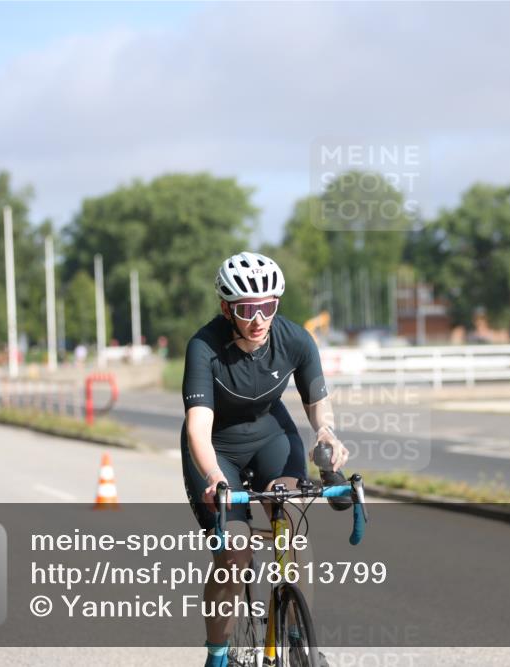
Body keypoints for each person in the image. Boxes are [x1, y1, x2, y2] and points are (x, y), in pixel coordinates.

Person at [180, 251, 349, 667]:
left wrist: (326, 433)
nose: (258, 319)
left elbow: (317, 402)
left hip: (271, 435)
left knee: (292, 527)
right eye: (246, 309)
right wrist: (214, 476)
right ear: (226, 309)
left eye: (268, 307)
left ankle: (297, 639)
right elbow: (198, 427)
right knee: (234, 554)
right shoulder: (204, 347)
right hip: (217, 448)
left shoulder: (295, 339)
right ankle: (218, 654)